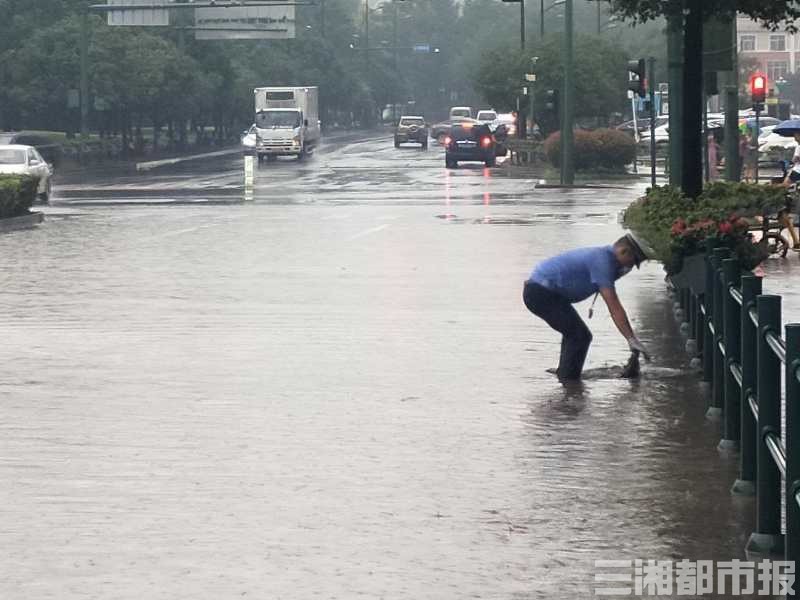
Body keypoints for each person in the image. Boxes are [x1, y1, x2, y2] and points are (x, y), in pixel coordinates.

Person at [523, 234, 651, 382]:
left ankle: (565, 376)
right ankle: (569, 383)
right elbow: (613, 305)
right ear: (623, 251)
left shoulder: (606, 259)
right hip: (540, 293)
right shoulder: (603, 261)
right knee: (579, 336)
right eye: (633, 261)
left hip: (543, 292)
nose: (630, 267)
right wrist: (631, 339)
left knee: (575, 333)